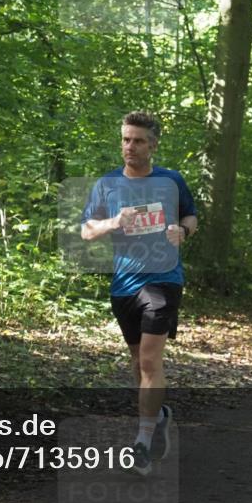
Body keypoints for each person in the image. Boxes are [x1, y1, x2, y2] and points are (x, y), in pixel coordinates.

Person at [81, 111, 197, 476]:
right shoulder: (107, 184)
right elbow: (86, 231)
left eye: (138, 141)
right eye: (126, 139)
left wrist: (182, 231)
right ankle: (158, 415)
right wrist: (114, 222)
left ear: (153, 145)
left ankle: (142, 445)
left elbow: (191, 216)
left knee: (149, 362)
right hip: (124, 284)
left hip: (163, 280)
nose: (130, 147)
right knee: (138, 364)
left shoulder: (171, 181)